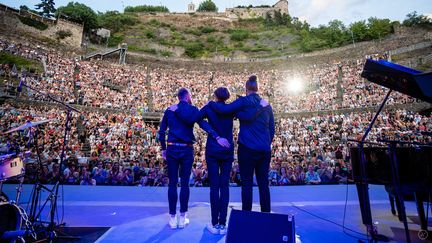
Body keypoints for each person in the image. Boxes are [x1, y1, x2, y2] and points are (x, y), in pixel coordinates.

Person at [169, 86, 267, 234]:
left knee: (214, 187)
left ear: (215, 95)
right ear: (227, 96)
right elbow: (248, 116)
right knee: (225, 186)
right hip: (227, 148)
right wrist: (261, 106)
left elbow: (194, 120)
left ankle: (214, 224)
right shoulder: (231, 108)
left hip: (213, 149)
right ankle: (223, 223)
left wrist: (213, 134)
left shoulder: (209, 107)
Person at [158, 88, 229, 229]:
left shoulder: (170, 110)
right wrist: (217, 136)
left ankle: (172, 218)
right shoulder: (193, 109)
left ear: (178, 97)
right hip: (186, 148)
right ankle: (183, 217)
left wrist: (163, 148)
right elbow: (202, 123)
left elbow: (161, 131)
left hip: (172, 147)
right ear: (187, 96)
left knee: (172, 183)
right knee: (184, 183)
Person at [208, 75, 275, 213]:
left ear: (246, 89)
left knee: (247, 184)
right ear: (258, 88)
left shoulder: (243, 102)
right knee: (264, 184)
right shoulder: (266, 105)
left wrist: (211, 103)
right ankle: (266, 216)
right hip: (264, 149)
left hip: (247, 148)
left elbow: (224, 110)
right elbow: (272, 129)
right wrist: (265, 143)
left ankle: (246, 216)